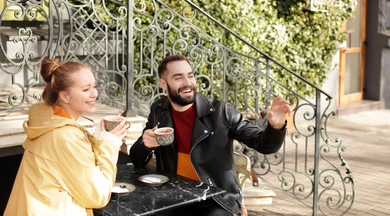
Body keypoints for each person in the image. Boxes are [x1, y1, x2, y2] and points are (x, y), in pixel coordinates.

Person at [129, 54, 292, 216]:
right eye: (178, 77)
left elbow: (263, 144)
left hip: (217, 200)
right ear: (163, 84)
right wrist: (146, 144)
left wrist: (276, 127)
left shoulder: (220, 112)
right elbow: (136, 159)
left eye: (190, 76)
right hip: (174, 198)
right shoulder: (159, 110)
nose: (188, 82)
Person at [4, 58, 129, 216]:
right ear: (65, 96)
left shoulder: (48, 123)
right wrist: (110, 143)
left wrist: (97, 141)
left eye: (94, 86)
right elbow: (98, 196)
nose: (95, 94)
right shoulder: (67, 137)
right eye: (86, 89)